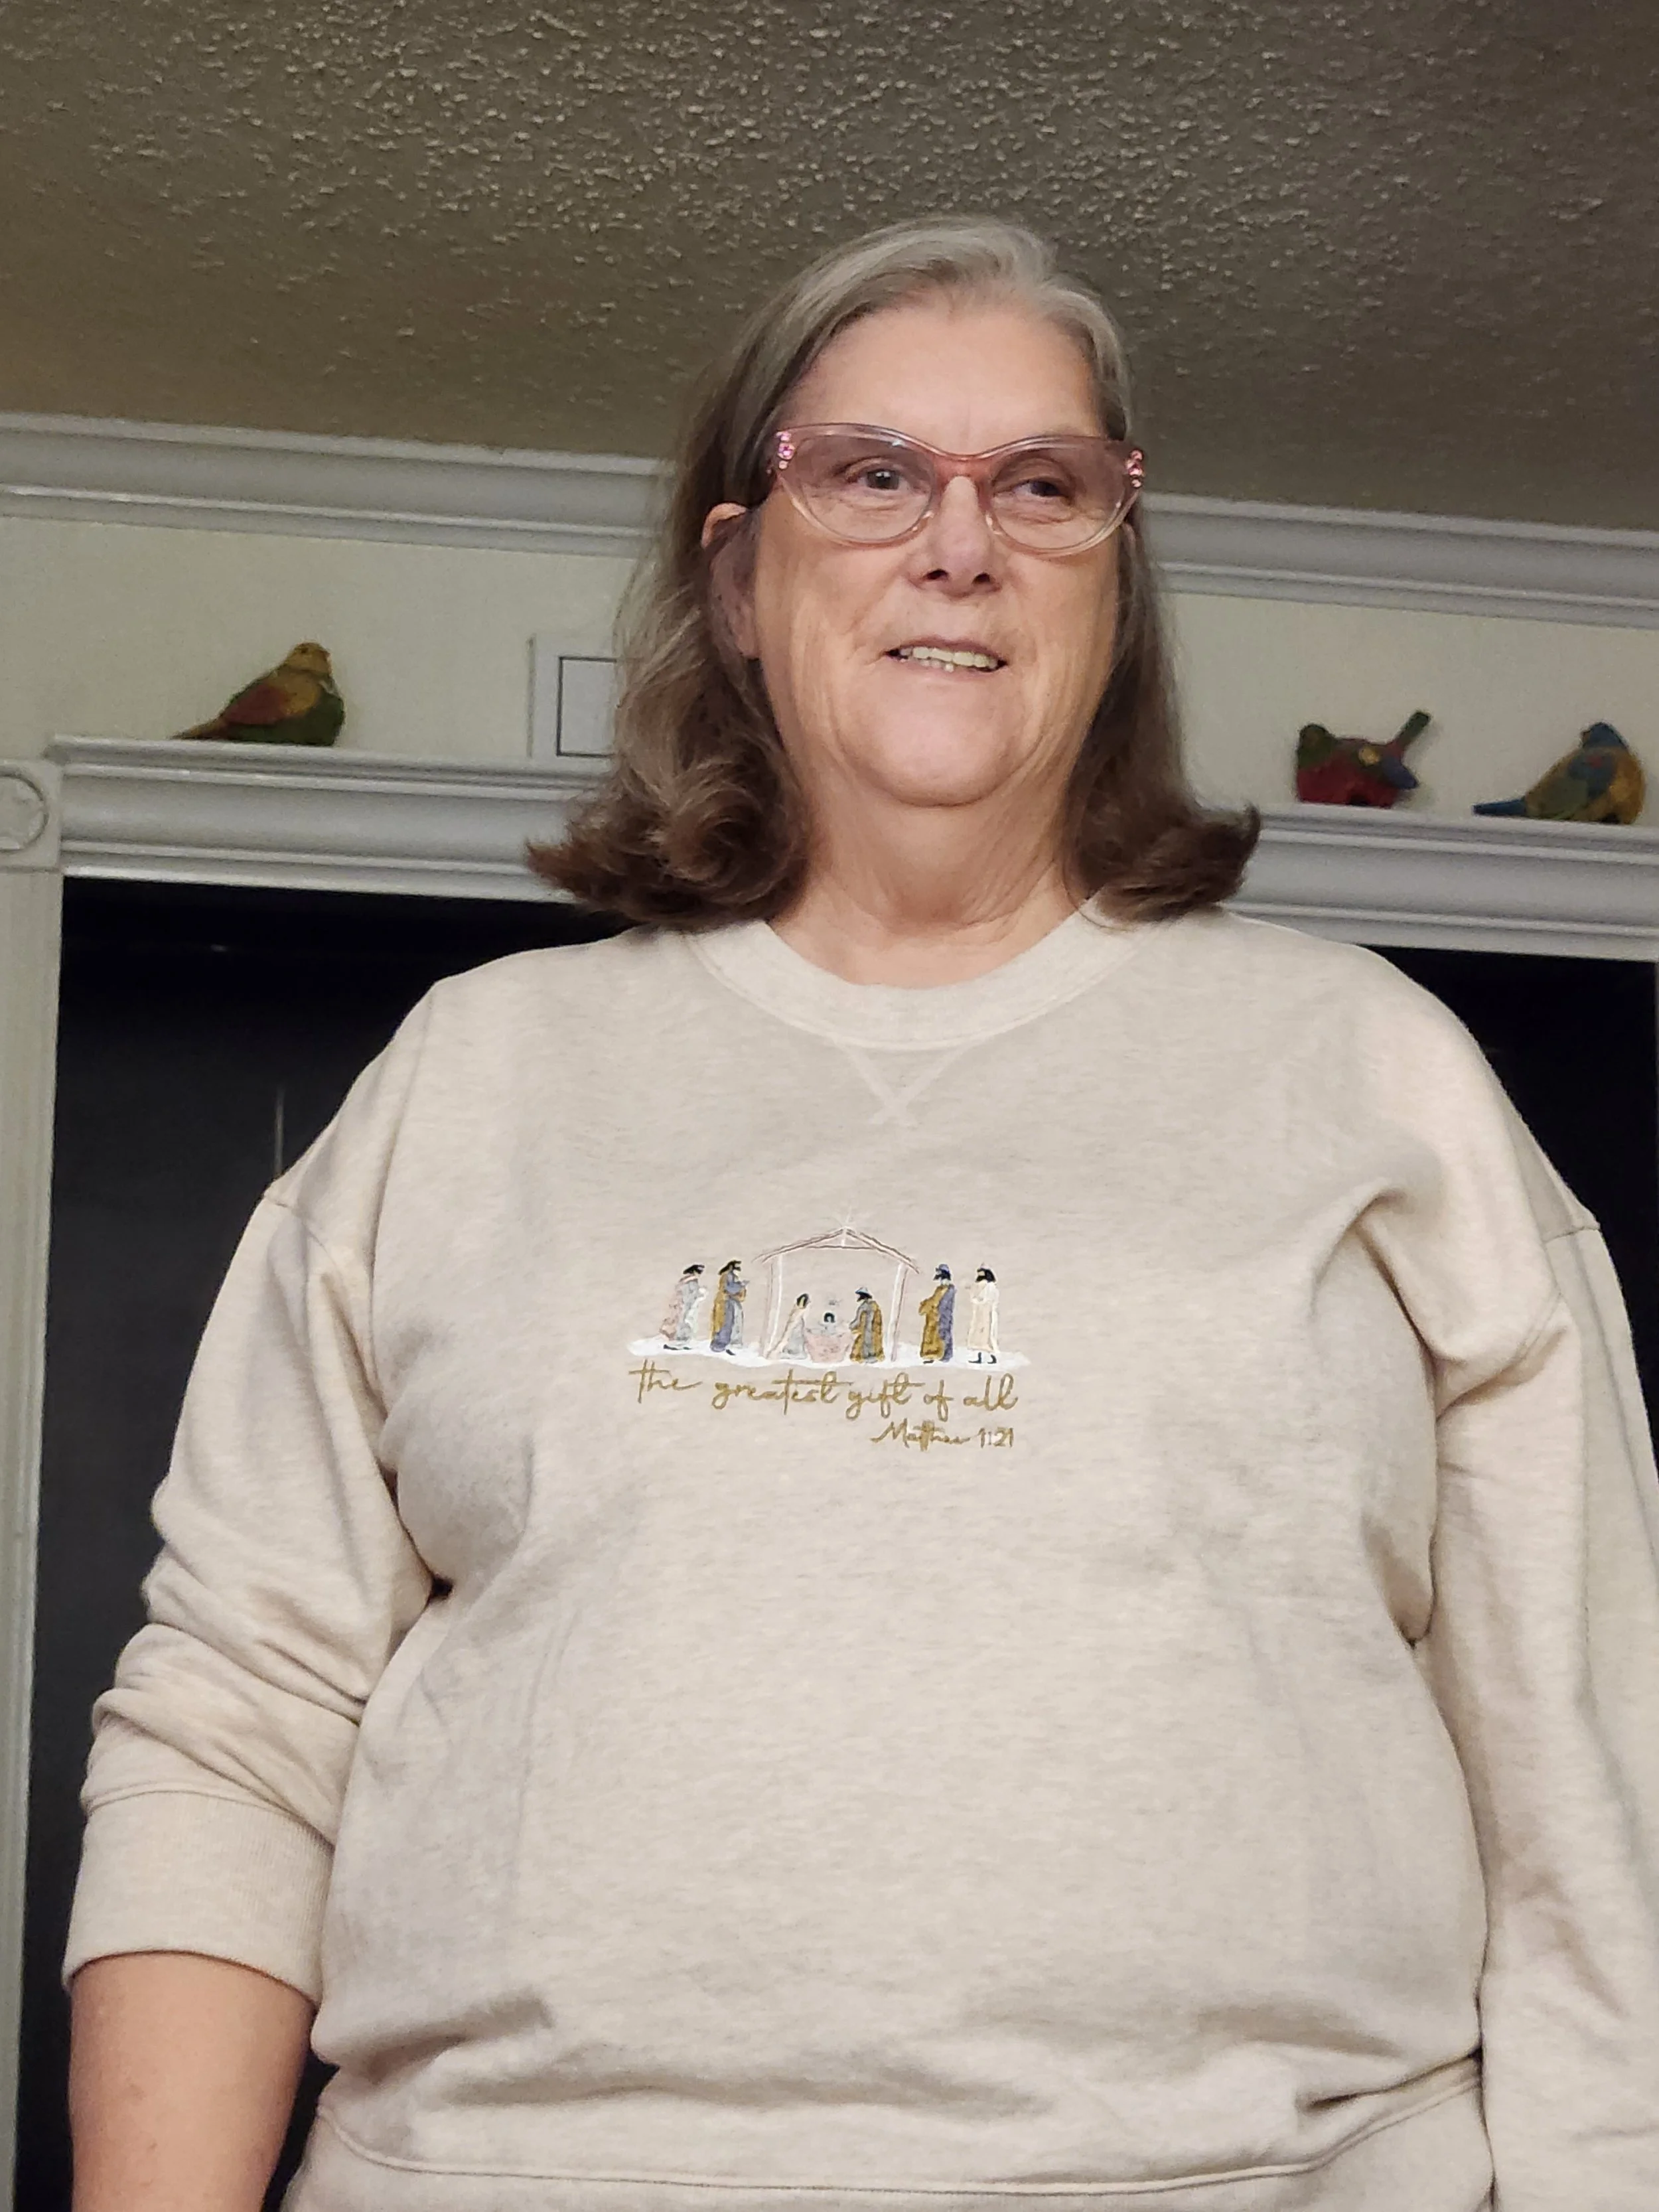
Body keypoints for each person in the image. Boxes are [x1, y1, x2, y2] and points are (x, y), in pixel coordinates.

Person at [66, 217, 1659, 2212]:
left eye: (1046, 485)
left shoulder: (1377, 1077)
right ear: (736, 570)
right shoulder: (468, 1082)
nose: (960, 542)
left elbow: (1594, 1781)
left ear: (1112, 579)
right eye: (872, 471)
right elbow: (236, 1724)